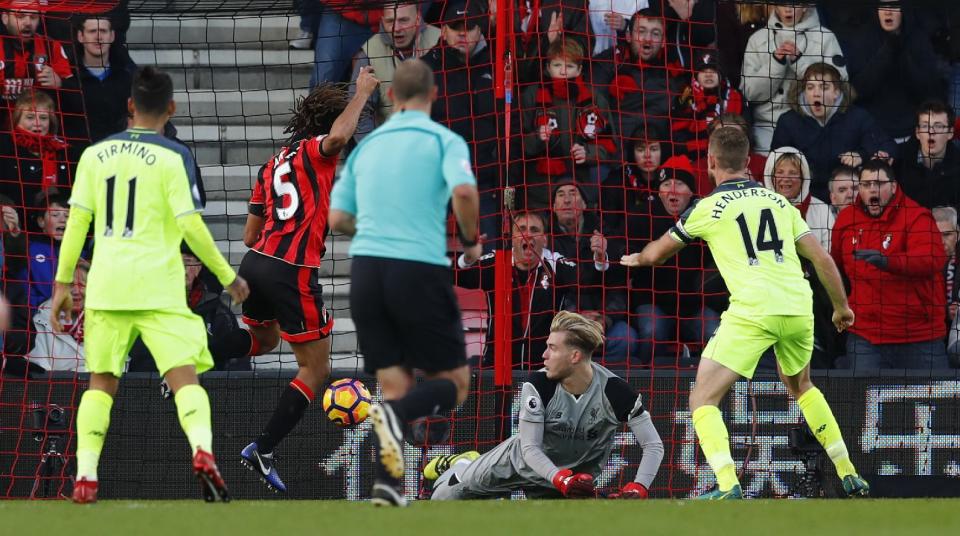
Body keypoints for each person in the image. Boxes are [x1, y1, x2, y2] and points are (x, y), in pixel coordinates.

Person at [621, 126, 869, 499]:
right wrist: (841, 307)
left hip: (754, 308)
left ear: (711, 162)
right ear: (747, 160)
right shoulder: (779, 202)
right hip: (797, 305)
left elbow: (658, 254)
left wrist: (638, 257)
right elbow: (820, 258)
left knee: (702, 399)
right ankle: (849, 473)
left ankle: (727, 485)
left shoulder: (706, 208)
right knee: (802, 387)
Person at [49, 66, 249, 504]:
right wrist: (228, 275)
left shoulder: (93, 155)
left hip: (107, 285)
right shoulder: (174, 156)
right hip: (159, 286)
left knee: (101, 382)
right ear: (171, 108)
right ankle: (202, 451)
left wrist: (62, 284)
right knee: (184, 378)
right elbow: (191, 227)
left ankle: (85, 473)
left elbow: (76, 223)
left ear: (129, 106)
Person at [328, 59, 481, 507]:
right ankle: (392, 419)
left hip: (366, 273)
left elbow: (337, 218)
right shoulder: (443, 140)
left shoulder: (367, 147)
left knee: (394, 384)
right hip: (416, 268)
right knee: (454, 382)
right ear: (432, 97)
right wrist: (471, 240)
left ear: (391, 97)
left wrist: (375, 232)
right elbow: (466, 193)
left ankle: (389, 486)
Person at [236, 67, 379, 494]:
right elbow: (336, 139)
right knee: (315, 370)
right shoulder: (319, 152)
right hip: (290, 271)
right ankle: (262, 448)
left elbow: (248, 234)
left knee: (262, 342)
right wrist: (362, 92)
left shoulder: (272, 163)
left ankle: (191, 356)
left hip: (254, 262)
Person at [426, 310, 664, 500]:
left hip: (567, 484)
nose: (544, 355)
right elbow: (530, 448)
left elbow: (653, 445)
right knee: (443, 498)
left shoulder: (617, 392)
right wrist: (560, 478)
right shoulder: (540, 384)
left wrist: (639, 486)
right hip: (516, 465)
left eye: (552, 348)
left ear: (574, 356)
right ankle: (463, 463)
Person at [831, 159, 949, 371]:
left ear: (893, 187)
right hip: (866, 336)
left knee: (936, 401)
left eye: (879, 184)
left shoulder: (916, 216)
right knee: (861, 401)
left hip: (919, 336)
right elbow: (836, 266)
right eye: (866, 185)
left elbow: (933, 259)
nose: (872, 190)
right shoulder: (846, 220)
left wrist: (888, 262)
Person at [628, 156, 722, 365]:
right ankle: (644, 385)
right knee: (651, 331)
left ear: (691, 192)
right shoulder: (640, 217)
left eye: (679, 183)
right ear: (658, 191)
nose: (672, 190)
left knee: (715, 332)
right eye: (666, 184)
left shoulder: (707, 218)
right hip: (653, 304)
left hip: (695, 307)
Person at [770, 62, 896, 201]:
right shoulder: (788, 121)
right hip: (805, 198)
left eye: (824, 87)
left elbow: (887, 145)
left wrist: (862, 156)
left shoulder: (858, 117)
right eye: (810, 87)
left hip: (849, 198)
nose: (816, 93)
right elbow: (775, 162)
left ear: (837, 92)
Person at [741, 2, 847, 153]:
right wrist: (776, 63)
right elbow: (749, 93)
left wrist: (800, 63)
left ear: (805, 6)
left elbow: (841, 87)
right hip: (767, 129)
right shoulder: (757, 40)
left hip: (815, 127)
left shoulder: (826, 38)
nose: (788, 9)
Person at [520, 38, 615, 207]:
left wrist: (588, 152)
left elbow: (610, 144)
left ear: (579, 70)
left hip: (579, 187)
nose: (563, 72)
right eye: (557, 65)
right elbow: (518, 143)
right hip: (539, 190)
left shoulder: (595, 99)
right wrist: (537, 138)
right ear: (548, 67)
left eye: (569, 66)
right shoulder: (531, 95)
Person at [844, 0, 945, 142]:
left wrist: (902, 51)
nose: (888, 11)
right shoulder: (863, 39)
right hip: (874, 133)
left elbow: (930, 91)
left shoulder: (918, 39)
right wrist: (889, 49)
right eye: (883, 6)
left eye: (894, 6)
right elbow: (858, 90)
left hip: (912, 132)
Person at [349, 1, 441, 140]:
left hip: (436, 138)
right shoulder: (369, 53)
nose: (396, 28)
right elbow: (360, 112)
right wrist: (373, 148)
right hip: (390, 141)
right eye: (390, 21)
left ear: (417, 19)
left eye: (403, 20)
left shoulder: (441, 41)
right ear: (382, 21)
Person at [593, 8, 684, 140]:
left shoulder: (674, 73)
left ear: (664, 41)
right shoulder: (607, 64)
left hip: (660, 154)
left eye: (655, 33)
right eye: (641, 32)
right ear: (628, 36)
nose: (648, 39)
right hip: (616, 153)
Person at [0, 89, 76, 213]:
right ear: (17, 119)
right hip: (15, 223)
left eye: (43, 118)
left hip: (57, 224)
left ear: (50, 121)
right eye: (30, 117)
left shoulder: (65, 152)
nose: (37, 123)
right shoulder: (4, 146)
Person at [69, 14, 137, 145]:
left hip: (119, 154)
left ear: (112, 36)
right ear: (80, 36)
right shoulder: (67, 77)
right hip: (78, 156)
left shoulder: (128, 77)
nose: (98, 37)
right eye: (92, 31)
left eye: (103, 31)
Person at [671, 48, 746, 164]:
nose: (708, 74)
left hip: (727, 157)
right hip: (691, 157)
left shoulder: (735, 96)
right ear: (695, 75)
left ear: (722, 74)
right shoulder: (685, 96)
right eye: (703, 70)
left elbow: (743, 131)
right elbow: (678, 133)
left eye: (713, 70)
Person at [762, 147, 833, 250]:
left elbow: (829, 251)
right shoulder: (759, 207)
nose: (786, 178)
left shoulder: (822, 209)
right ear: (770, 177)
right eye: (780, 172)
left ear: (803, 177)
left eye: (793, 173)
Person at [895, 100, 960, 212]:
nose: (931, 131)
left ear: (950, 133)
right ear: (917, 132)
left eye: (938, 126)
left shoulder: (957, 164)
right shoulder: (898, 159)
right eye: (925, 126)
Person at [27, 258, 88, 372]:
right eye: (69, 285)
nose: (75, 291)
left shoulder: (106, 322)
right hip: (58, 389)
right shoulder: (40, 323)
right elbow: (39, 375)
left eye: (81, 285)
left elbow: (121, 365)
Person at [0, 8, 75, 101]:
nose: (28, 23)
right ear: (5, 18)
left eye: (33, 17)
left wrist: (60, 83)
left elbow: (75, 91)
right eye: (20, 16)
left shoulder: (51, 46)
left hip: (41, 114)